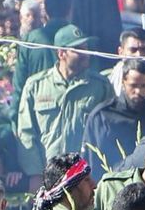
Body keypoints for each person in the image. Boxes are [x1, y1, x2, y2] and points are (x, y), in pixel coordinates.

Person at [15, 29, 110, 182]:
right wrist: (35, 174)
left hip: (86, 175)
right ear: (61, 54)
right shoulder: (36, 85)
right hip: (48, 175)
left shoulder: (101, 87)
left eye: (86, 48)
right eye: (79, 49)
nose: (86, 53)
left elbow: (108, 132)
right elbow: (26, 133)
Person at [78, 59, 145, 177]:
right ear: (123, 83)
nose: (138, 91)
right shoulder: (102, 116)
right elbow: (91, 163)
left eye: (144, 86)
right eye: (133, 86)